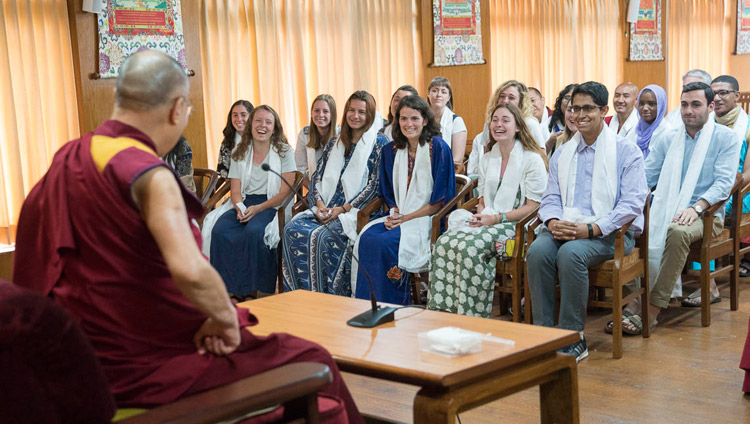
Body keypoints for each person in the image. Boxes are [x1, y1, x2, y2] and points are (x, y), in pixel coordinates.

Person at [12, 50, 361, 422]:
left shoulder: (68, 159)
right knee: (315, 360)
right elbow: (190, 271)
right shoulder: (146, 173)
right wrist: (225, 319)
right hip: (144, 363)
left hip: (68, 358)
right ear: (177, 108)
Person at [526, 81, 649, 362]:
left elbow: (631, 204)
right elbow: (550, 197)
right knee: (537, 252)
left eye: (587, 109)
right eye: (574, 108)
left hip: (611, 233)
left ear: (603, 110)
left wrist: (592, 228)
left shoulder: (626, 151)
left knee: (571, 254)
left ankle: (572, 337)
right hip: (567, 225)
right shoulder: (563, 151)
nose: (578, 114)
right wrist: (553, 220)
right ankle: (543, 334)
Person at [618, 82, 740, 334]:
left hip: (707, 214)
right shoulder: (669, 137)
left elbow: (723, 184)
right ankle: (633, 301)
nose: (688, 111)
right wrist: (625, 206)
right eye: (684, 104)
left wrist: (696, 207)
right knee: (627, 225)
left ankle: (652, 309)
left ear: (711, 106)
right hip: (666, 207)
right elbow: (646, 177)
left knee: (677, 230)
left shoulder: (725, 138)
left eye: (696, 105)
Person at [427, 103, 547, 317]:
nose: (498, 125)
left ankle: (471, 313)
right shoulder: (488, 157)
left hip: (519, 227)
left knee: (471, 246)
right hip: (490, 219)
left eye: (505, 120)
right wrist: (482, 215)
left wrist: (496, 218)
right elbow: (482, 199)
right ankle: (443, 311)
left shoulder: (532, 159)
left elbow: (533, 207)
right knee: (445, 242)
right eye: (495, 120)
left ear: (518, 126)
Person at [353, 95, 456, 305]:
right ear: (397, 121)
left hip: (428, 219)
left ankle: (392, 304)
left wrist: (405, 218)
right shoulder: (391, 150)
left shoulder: (438, 148)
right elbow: (389, 193)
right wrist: (395, 213)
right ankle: (367, 304)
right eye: (403, 119)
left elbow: (440, 201)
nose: (408, 124)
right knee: (366, 238)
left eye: (414, 118)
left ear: (425, 120)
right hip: (399, 216)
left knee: (384, 242)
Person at [283, 91, 387, 296]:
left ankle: (331, 298)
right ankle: (299, 297)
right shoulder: (334, 143)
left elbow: (374, 186)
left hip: (356, 211)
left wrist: (341, 209)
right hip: (325, 207)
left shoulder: (379, 144)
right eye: (351, 110)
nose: (355, 116)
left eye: (362, 112)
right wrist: (320, 205)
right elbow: (317, 179)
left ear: (371, 115)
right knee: (291, 229)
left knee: (324, 237)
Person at [209, 105, 297, 300]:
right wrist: (240, 208)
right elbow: (236, 191)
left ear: (274, 128)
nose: (262, 126)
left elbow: (284, 192)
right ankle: (230, 290)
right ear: (250, 125)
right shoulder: (239, 151)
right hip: (245, 202)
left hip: (271, 204)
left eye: (268, 122)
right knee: (221, 230)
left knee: (255, 232)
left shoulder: (284, 151)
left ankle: (256, 291)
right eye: (258, 121)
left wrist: (259, 208)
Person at [467, 80, 547, 176]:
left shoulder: (530, 123)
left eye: (511, 97)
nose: (505, 100)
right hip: (496, 176)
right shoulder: (490, 123)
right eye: (502, 96)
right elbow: (487, 155)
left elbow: (542, 158)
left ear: (521, 102)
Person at [294, 94, 340, 189]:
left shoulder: (341, 134)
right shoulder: (304, 133)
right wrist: (313, 190)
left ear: (332, 114)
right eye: (316, 111)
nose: (320, 115)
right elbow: (299, 168)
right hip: (314, 190)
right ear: (311, 113)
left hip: (338, 190)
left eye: (325, 111)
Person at [427, 76, 468, 168]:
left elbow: (457, 160)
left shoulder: (456, 121)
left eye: (443, 92)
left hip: (445, 170)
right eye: (434, 91)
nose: (439, 94)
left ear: (449, 97)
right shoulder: (421, 119)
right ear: (428, 94)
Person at [634, 84, 673, 158]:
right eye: (641, 103)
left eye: (651, 104)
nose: (645, 108)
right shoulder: (635, 131)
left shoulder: (667, 133)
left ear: (661, 106)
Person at [217, 100, 253, 178]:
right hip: (236, 188)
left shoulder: (261, 140)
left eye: (243, 115)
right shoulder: (227, 142)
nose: (239, 119)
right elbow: (224, 176)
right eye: (235, 115)